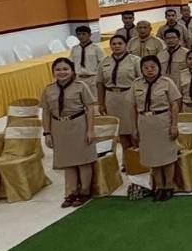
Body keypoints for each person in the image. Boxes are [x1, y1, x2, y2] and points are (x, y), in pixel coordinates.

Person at [41, 56, 96, 207]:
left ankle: (84, 191)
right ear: (53, 72)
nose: (62, 72)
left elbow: (90, 108)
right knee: (67, 162)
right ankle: (71, 192)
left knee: (83, 160)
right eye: (58, 70)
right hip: (59, 128)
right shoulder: (48, 89)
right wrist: (47, 133)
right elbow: (46, 112)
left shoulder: (80, 86)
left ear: (72, 71)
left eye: (65, 69)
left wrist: (90, 130)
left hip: (79, 125)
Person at [133, 55, 181, 200]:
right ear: (141, 69)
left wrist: (174, 125)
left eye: (153, 67)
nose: (149, 70)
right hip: (145, 122)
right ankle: (159, 186)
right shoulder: (136, 84)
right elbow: (133, 107)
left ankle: (169, 185)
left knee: (167, 156)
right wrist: (134, 127)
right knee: (152, 156)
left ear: (159, 67)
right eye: (146, 67)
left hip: (162, 121)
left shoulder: (166, 82)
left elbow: (174, 105)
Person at [99, 32, 139, 150]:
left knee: (133, 130)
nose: (116, 46)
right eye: (114, 44)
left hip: (129, 96)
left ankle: (137, 157)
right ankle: (126, 157)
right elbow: (100, 84)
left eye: (120, 43)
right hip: (112, 98)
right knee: (120, 131)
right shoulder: (104, 62)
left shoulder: (135, 60)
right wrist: (101, 103)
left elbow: (141, 82)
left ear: (126, 45)